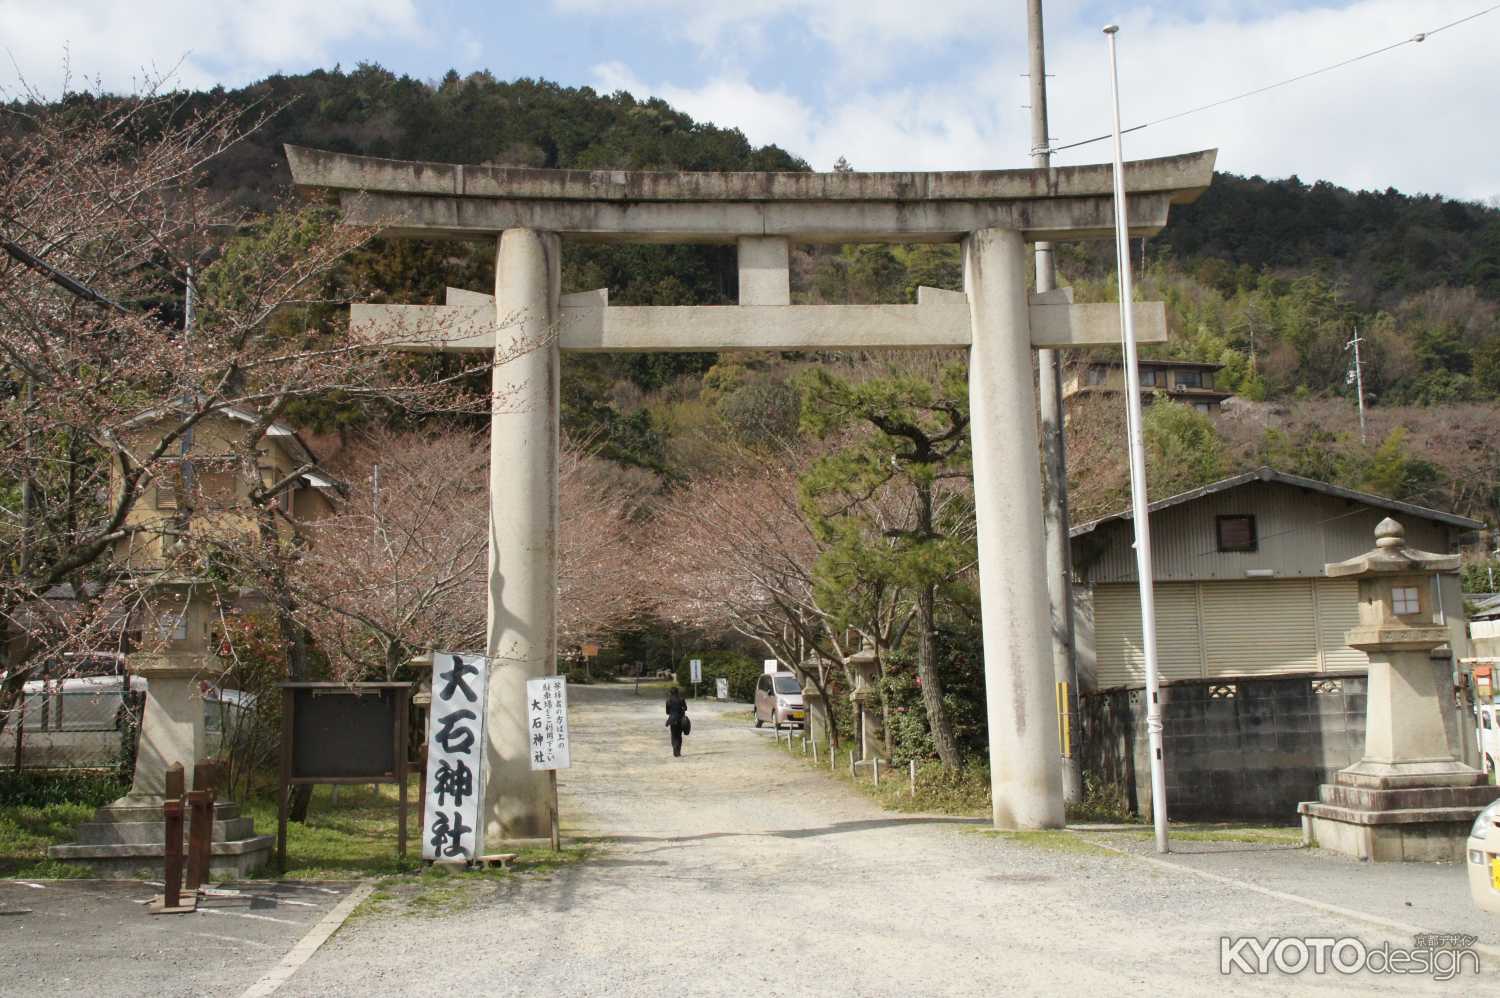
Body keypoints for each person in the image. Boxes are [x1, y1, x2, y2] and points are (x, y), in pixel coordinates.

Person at [665, 687, 689, 757]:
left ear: (670, 693)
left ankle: (675, 748)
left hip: (672, 720)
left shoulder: (668, 700)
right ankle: (678, 751)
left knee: (673, 735)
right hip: (680, 719)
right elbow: (685, 708)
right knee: (679, 736)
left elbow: (667, 712)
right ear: (677, 692)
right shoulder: (681, 699)